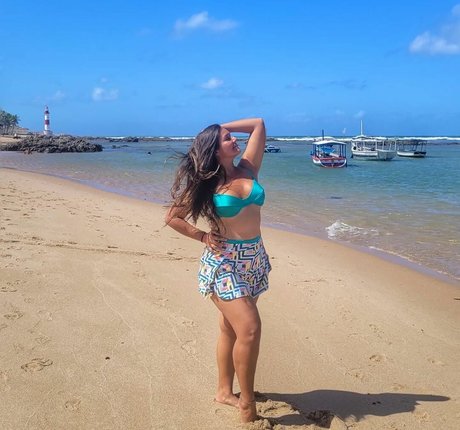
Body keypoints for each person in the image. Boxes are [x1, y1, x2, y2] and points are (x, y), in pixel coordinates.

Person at [165, 118, 271, 423]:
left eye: (231, 136)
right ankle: (247, 404)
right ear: (214, 150)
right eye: (227, 139)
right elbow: (173, 217)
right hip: (223, 263)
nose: (234, 140)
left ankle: (224, 391)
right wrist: (202, 236)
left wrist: (216, 127)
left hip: (253, 258)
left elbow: (258, 125)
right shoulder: (206, 185)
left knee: (230, 328)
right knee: (249, 328)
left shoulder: (248, 168)